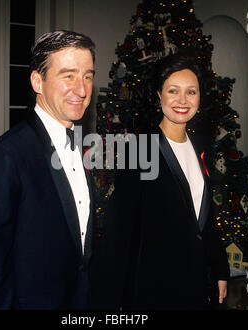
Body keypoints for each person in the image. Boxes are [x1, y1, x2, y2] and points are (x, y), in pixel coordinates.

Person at [0, 30, 96, 310]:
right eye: (68, 75)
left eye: (88, 76)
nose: (83, 89)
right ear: (38, 81)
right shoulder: (4, 158)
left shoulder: (82, 147)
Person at [90, 51, 230, 310]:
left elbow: (205, 217)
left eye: (191, 92)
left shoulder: (203, 147)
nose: (182, 100)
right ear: (158, 95)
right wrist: (111, 300)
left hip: (195, 283)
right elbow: (119, 231)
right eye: (172, 91)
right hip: (153, 287)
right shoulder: (141, 149)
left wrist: (220, 268)